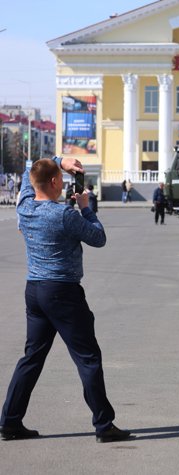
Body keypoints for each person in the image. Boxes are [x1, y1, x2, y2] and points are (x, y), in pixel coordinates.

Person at [0, 157, 131, 443]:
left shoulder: (23, 206)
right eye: (60, 176)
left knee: (32, 357)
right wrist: (86, 208)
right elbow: (98, 238)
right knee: (88, 358)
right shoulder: (64, 215)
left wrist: (59, 161)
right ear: (57, 182)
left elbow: (28, 169)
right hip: (63, 292)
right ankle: (104, 425)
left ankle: (9, 421)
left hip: (35, 289)